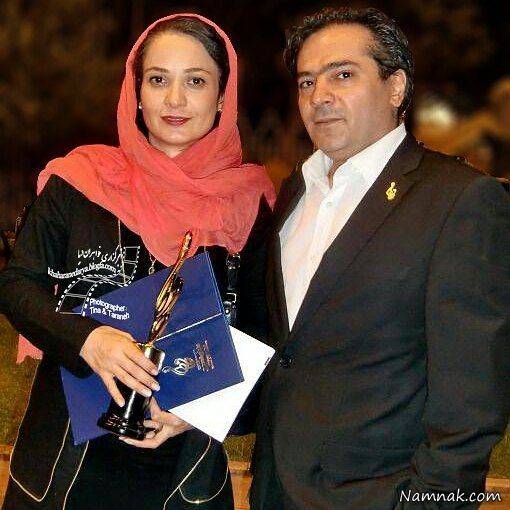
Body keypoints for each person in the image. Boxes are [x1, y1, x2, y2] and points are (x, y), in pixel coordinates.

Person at [0, 13, 274, 510]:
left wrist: (200, 412)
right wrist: (89, 339)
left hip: (184, 472)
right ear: (136, 92)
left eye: (196, 81)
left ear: (222, 96)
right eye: (158, 80)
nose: (175, 100)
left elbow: (264, 335)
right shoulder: (79, 183)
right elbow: (17, 285)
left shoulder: (250, 205)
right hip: (61, 466)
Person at [249, 7, 510, 510]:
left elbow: (473, 401)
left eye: (343, 75)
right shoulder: (295, 191)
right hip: (273, 490)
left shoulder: (460, 200)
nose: (319, 96)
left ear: (395, 87)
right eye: (307, 82)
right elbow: (288, 349)